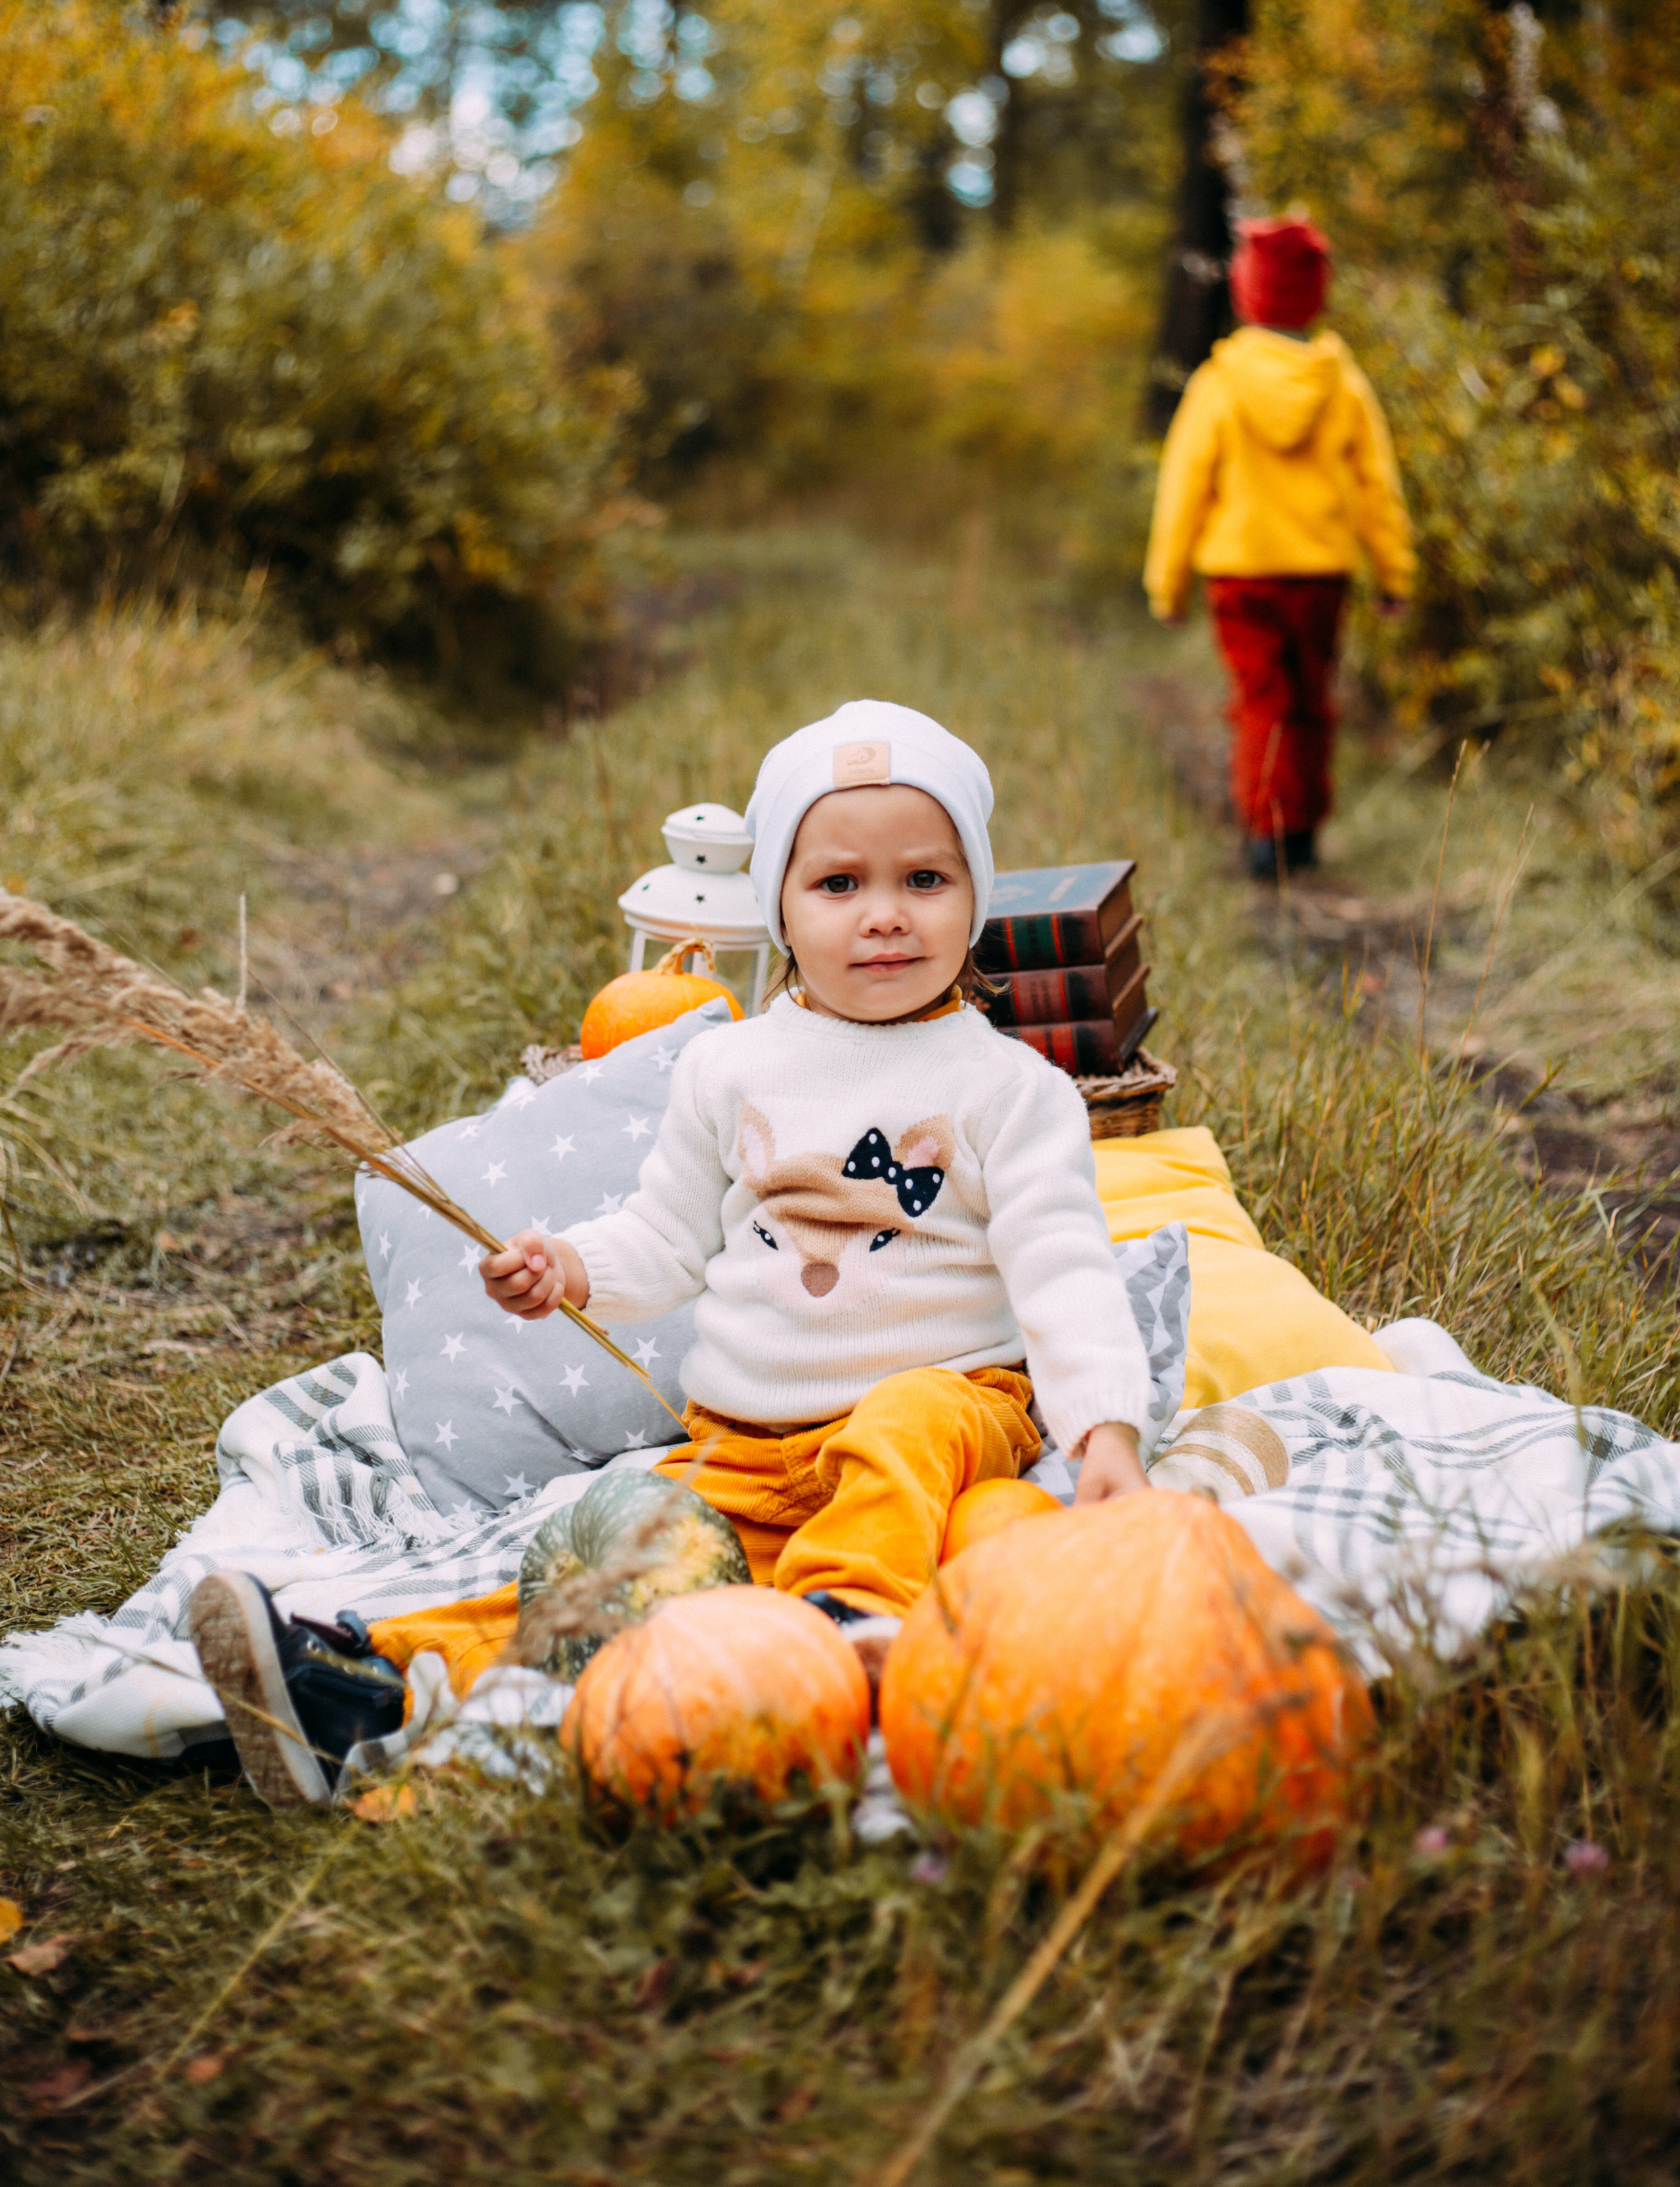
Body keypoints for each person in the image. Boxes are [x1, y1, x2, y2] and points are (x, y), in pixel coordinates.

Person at [190, 702, 1153, 1805]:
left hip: (951, 1413)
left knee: (906, 1420)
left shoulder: (1007, 1090)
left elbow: (1065, 1268)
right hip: (746, 1443)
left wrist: (1106, 1428)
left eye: (925, 881)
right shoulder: (727, 1068)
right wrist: (568, 1267)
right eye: (840, 885)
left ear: (976, 894)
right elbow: (664, 1238)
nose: (884, 917)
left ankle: (847, 1628)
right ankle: (366, 1678)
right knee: (620, 1574)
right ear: (782, 907)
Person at [1143, 215, 1416, 882]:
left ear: (1247, 293)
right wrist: (1393, 573)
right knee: (1309, 700)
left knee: (1261, 701)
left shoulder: (1220, 383)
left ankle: (1268, 833)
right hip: (1321, 574)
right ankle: (1303, 833)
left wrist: (1167, 584)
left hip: (1240, 575)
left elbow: (1184, 487)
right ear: (1312, 295)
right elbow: (1376, 483)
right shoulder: (1342, 384)